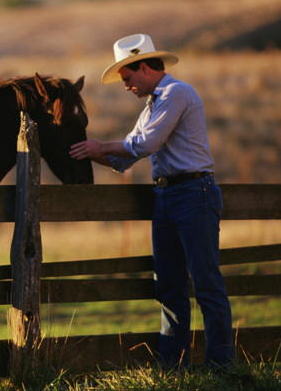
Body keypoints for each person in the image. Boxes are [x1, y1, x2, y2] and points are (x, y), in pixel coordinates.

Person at [70, 34, 234, 369]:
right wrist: (93, 152)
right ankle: (173, 369)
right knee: (170, 286)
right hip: (170, 196)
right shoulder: (153, 106)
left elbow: (144, 145)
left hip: (192, 194)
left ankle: (221, 366)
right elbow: (125, 158)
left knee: (206, 283)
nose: (126, 86)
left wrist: (102, 147)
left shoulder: (176, 94)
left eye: (127, 78)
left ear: (143, 67)